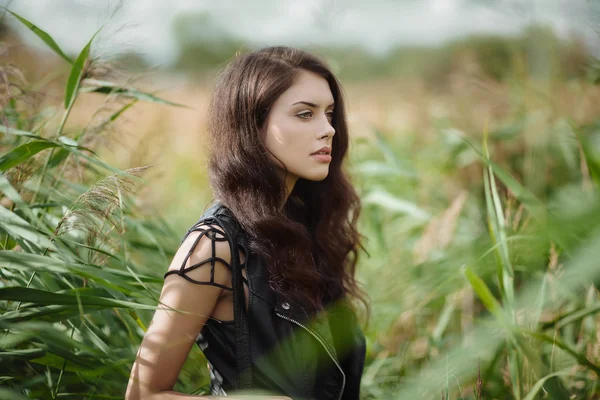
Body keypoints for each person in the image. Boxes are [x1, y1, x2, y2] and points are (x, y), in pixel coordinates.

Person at [126, 46, 369, 400]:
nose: (328, 129)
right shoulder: (214, 245)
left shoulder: (308, 228)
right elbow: (143, 394)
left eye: (329, 114)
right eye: (305, 114)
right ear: (253, 125)